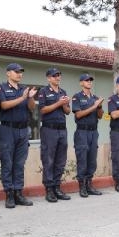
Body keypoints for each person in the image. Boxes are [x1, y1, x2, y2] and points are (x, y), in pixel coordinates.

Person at [0, 63, 37, 208]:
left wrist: (30, 98)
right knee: (7, 162)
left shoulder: (24, 89)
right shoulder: (1, 88)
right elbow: (4, 105)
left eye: (21, 72)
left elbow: (31, 108)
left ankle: (19, 193)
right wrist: (22, 98)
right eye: (16, 71)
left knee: (19, 163)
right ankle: (9, 195)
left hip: (23, 130)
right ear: (8, 73)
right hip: (8, 129)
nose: (19, 74)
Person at [38, 68, 71, 203]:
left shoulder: (63, 92)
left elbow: (68, 111)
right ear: (48, 78)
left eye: (59, 75)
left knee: (60, 160)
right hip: (49, 130)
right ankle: (49, 190)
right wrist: (58, 103)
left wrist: (64, 105)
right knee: (49, 160)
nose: (58, 77)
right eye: (55, 76)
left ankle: (57, 187)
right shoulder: (43, 92)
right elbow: (43, 110)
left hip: (62, 130)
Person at [72, 73, 104, 198]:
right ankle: (82, 186)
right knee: (82, 159)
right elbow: (78, 115)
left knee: (92, 160)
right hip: (82, 132)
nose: (89, 82)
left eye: (90, 80)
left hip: (93, 132)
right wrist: (94, 106)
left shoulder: (95, 98)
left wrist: (99, 106)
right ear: (81, 83)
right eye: (86, 80)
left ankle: (89, 184)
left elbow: (100, 115)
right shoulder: (77, 97)